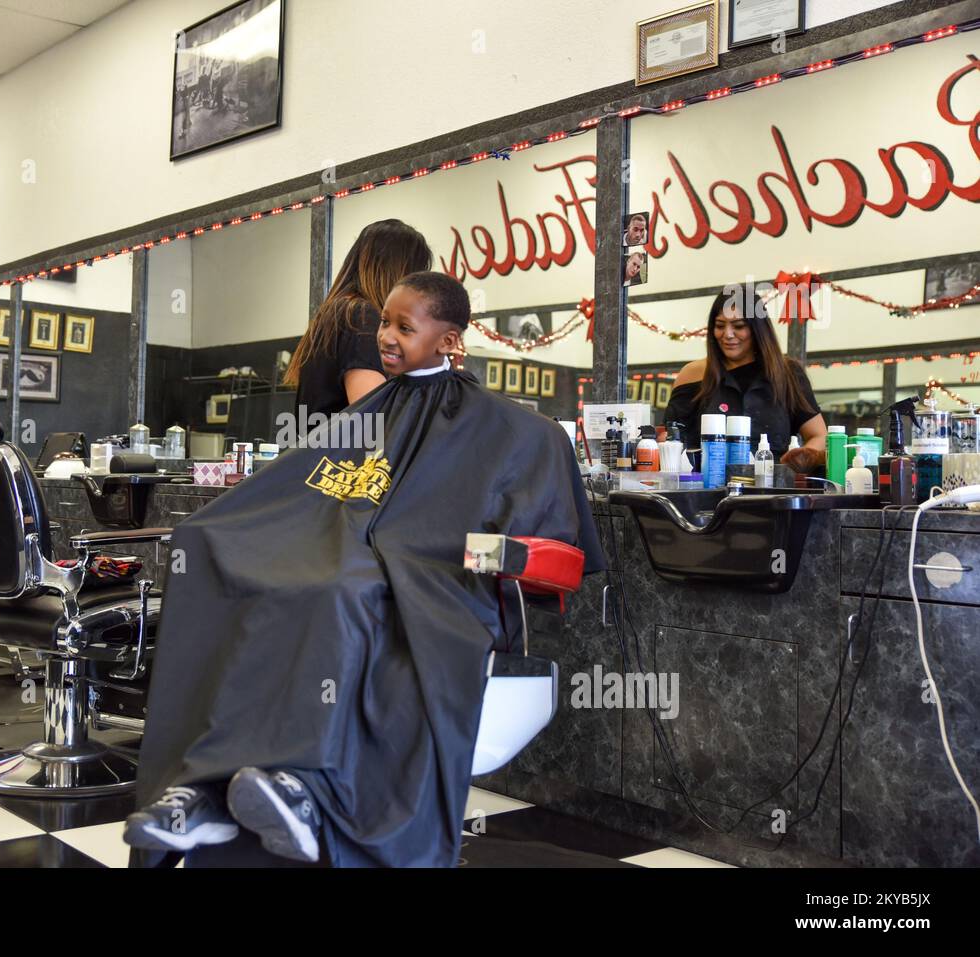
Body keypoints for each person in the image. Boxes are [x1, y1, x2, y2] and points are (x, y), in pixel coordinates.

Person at [123, 271, 604, 867]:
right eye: (385, 322)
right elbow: (310, 496)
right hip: (358, 563)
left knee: (337, 588)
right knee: (230, 568)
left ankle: (309, 788)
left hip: (445, 583)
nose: (386, 337)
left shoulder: (518, 432)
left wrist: (457, 553)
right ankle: (204, 786)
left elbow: (552, 549)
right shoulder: (370, 415)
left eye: (405, 327)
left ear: (451, 340)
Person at [664, 284, 828, 473]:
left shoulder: (788, 374)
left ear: (758, 329)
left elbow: (819, 436)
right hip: (708, 490)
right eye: (719, 326)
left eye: (739, 326)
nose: (728, 334)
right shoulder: (693, 374)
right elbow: (670, 438)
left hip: (772, 489)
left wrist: (805, 455)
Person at [284, 219, 432, 418]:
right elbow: (371, 418)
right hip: (346, 448)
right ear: (401, 273)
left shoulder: (337, 315)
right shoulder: (360, 318)